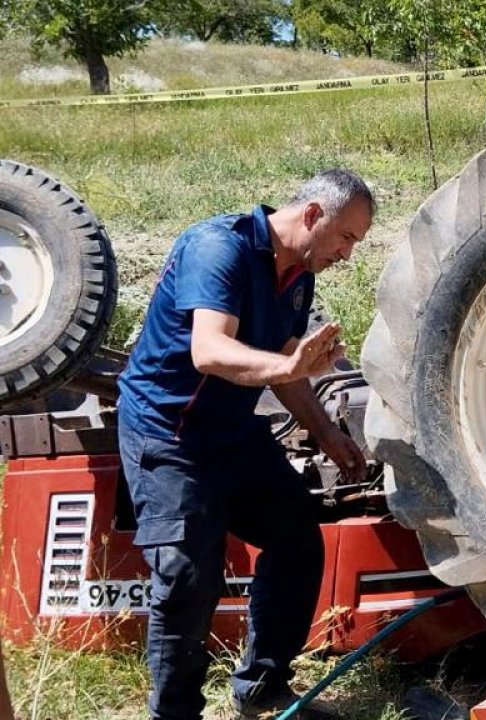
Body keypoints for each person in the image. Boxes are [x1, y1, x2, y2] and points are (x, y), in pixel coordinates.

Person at [117, 169, 374, 719]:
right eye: (346, 237)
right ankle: (175, 713)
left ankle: (262, 690)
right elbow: (209, 351)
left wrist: (326, 431)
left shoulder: (299, 274)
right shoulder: (218, 248)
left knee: (297, 539)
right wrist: (288, 362)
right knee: (188, 574)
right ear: (312, 215)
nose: (348, 254)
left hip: (232, 430)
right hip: (169, 432)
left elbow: (286, 363)